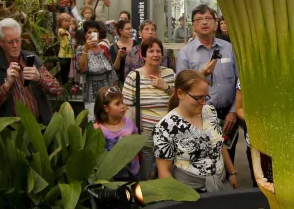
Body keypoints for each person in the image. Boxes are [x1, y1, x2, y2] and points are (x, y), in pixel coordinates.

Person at [153, 70, 240, 192]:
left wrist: (232, 172)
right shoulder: (165, 127)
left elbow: (219, 144)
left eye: (205, 97)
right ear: (180, 93)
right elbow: (164, 172)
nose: (203, 103)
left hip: (219, 184)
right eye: (198, 98)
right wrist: (178, 196)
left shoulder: (209, 111)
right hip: (189, 191)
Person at [176, 4, 239, 162]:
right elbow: (181, 88)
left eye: (208, 18)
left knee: (227, 160)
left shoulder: (229, 49)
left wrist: (233, 111)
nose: (204, 22)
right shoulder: (185, 53)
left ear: (215, 23)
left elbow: (240, 82)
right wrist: (201, 74)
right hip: (199, 115)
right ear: (193, 25)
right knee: (204, 161)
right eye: (199, 19)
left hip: (228, 116)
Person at [0, 18, 62, 125]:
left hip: (40, 128)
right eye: (10, 42)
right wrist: (6, 85)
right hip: (12, 130)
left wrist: (39, 78)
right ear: (1, 42)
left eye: (18, 40)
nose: (15, 46)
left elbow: (57, 90)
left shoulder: (31, 59)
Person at [123, 37, 176, 180]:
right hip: (145, 135)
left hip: (170, 134)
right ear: (143, 55)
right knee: (146, 174)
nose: (156, 54)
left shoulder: (170, 74)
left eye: (158, 51)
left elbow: (181, 99)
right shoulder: (134, 77)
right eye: (151, 51)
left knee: (167, 174)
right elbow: (126, 107)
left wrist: (165, 87)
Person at [94, 86, 140, 181]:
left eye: (122, 102)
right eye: (117, 104)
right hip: (109, 178)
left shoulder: (129, 124)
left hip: (132, 174)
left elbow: (137, 142)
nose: (122, 106)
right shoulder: (98, 129)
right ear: (106, 108)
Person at [77, 20, 118, 121]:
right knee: (94, 123)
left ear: (99, 34)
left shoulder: (104, 49)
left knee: (109, 122)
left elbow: (112, 72)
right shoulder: (81, 49)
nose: (92, 34)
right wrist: (86, 49)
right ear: (85, 35)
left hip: (108, 94)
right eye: (89, 32)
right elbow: (82, 69)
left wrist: (116, 91)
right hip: (91, 96)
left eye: (94, 31)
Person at [56, 13, 75, 85]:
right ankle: (64, 85)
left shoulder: (67, 31)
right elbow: (61, 33)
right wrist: (64, 33)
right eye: (65, 21)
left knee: (67, 70)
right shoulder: (60, 30)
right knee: (64, 71)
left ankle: (66, 84)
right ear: (60, 22)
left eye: (68, 21)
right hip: (63, 55)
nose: (68, 23)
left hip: (68, 54)